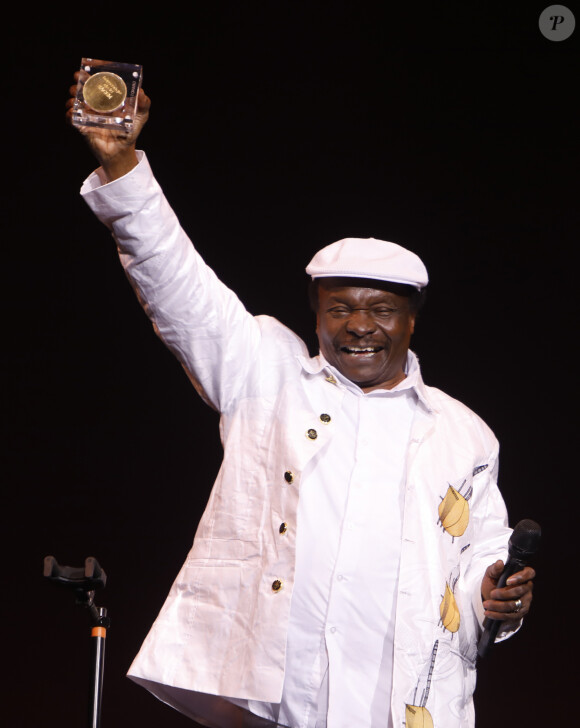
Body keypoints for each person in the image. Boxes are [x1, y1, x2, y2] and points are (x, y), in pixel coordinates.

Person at [66, 78, 535, 728]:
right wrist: (123, 166)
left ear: (411, 321)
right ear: (315, 313)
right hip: (285, 701)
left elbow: (482, 551)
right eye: (340, 306)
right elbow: (176, 283)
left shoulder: (465, 434)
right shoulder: (266, 370)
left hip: (408, 706)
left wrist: (494, 594)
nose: (360, 324)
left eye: (381, 310)